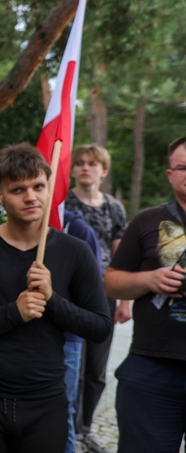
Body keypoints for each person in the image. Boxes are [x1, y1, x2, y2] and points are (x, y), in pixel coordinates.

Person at [0, 142, 111, 453]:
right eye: (18, 190)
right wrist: (13, 312)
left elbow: (99, 326)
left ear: (48, 187)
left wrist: (52, 299)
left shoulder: (75, 251)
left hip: (45, 397)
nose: (31, 197)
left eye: (38, 186)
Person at [105, 135, 186, 453]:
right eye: (183, 167)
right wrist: (150, 279)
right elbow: (112, 282)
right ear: (170, 174)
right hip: (152, 367)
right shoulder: (147, 220)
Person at [65, 144, 130, 449]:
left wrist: (125, 299)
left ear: (103, 171)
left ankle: (86, 427)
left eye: (92, 163)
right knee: (71, 364)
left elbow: (122, 256)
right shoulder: (63, 204)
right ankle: (67, 426)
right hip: (70, 293)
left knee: (96, 368)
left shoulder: (115, 208)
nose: (85, 168)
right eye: (80, 163)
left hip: (104, 295)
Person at [59, 210, 102, 453]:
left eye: (39, 187)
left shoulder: (77, 229)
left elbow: (92, 298)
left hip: (66, 337)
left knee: (63, 408)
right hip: (21, 338)